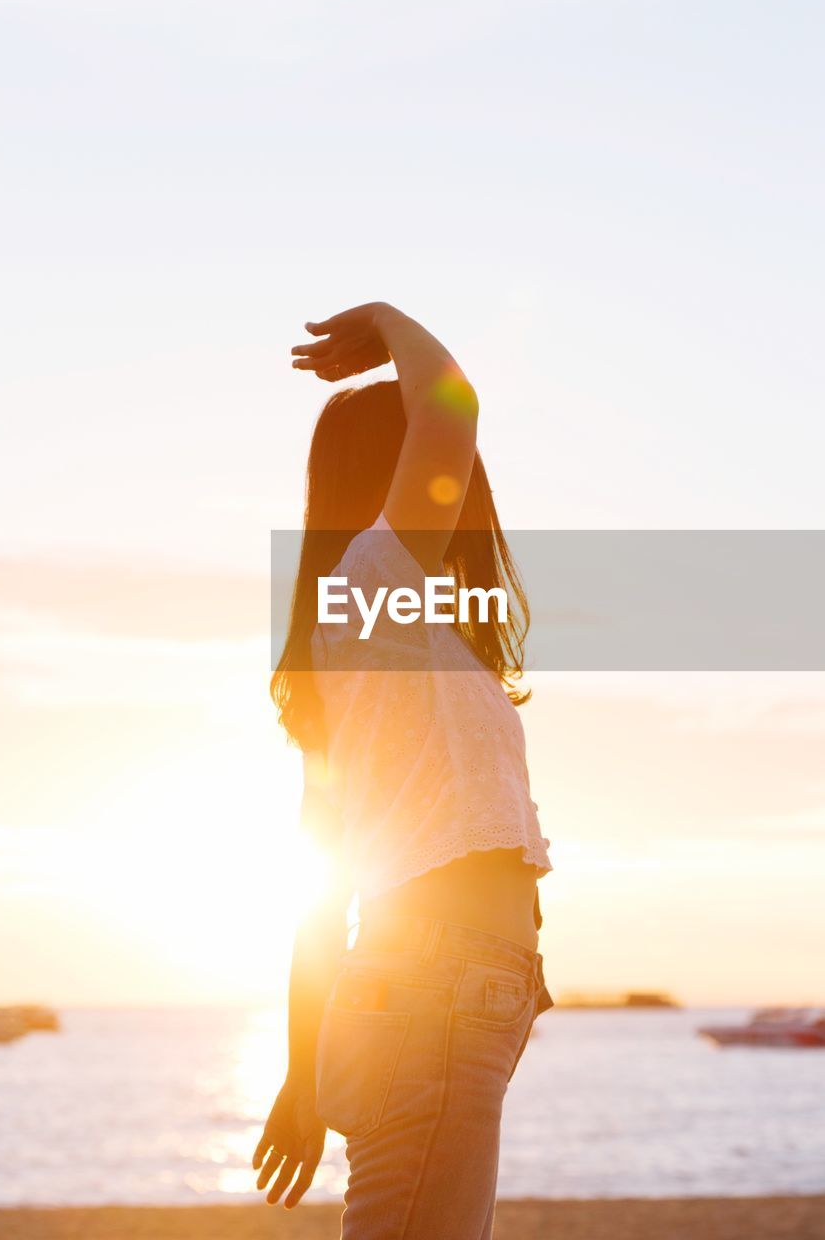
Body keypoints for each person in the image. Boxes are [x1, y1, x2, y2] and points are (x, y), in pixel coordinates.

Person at [254, 302, 553, 1238]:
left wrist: (303, 1076)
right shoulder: (375, 586)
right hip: (438, 992)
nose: (460, 486)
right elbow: (451, 413)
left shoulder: (374, 639)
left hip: (433, 990)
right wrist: (387, 322)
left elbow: (320, 882)